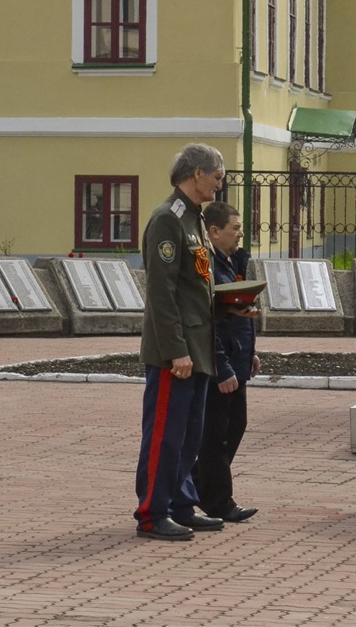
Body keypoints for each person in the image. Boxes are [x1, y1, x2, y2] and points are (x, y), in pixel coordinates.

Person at [134, 143, 227, 541]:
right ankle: (152, 513)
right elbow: (161, 294)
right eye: (217, 177)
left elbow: (198, 287)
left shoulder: (194, 220)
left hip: (198, 349)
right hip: (178, 354)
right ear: (195, 174)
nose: (219, 186)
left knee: (190, 437)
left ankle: (181, 505)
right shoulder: (167, 220)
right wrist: (176, 351)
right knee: (165, 436)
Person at [192, 201, 260, 524]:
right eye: (235, 229)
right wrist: (222, 367)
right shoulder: (206, 265)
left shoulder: (233, 262)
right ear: (214, 232)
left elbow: (237, 315)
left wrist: (250, 353)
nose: (240, 235)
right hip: (221, 366)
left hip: (238, 359)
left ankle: (196, 483)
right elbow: (207, 321)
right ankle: (219, 501)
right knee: (216, 435)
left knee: (236, 425)